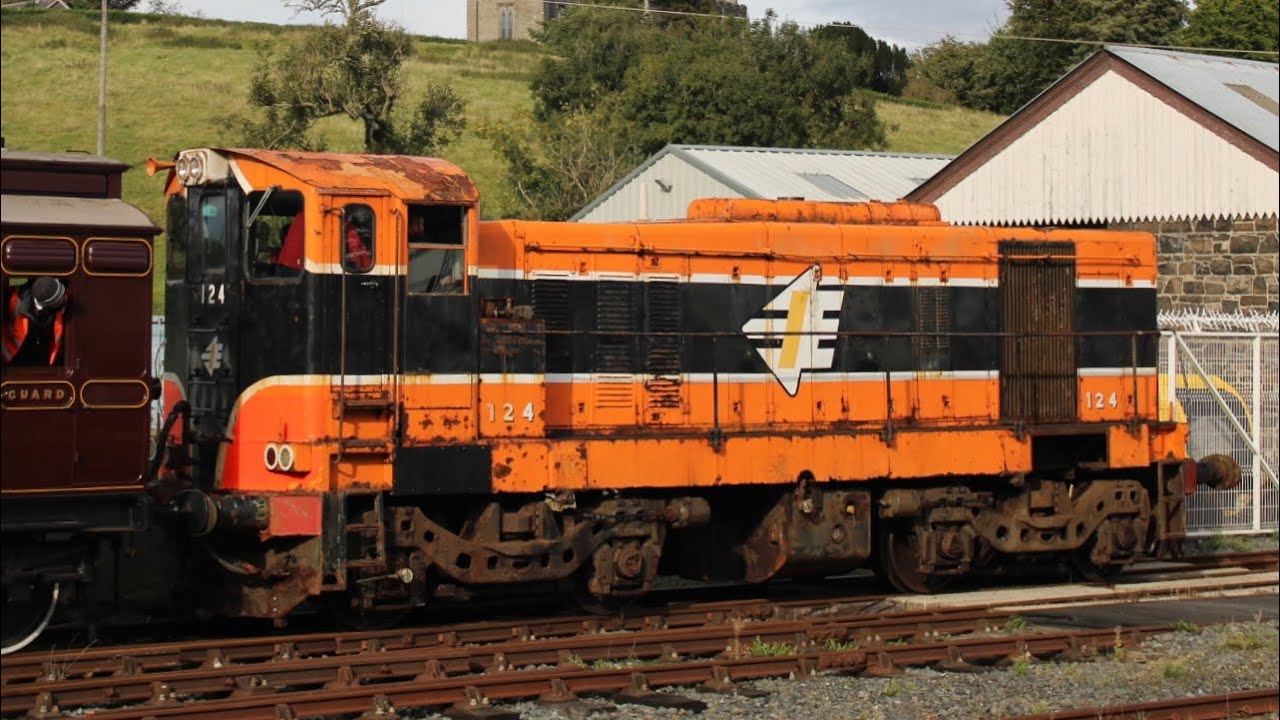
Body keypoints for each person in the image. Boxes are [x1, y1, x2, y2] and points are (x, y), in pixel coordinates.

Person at [3, 276, 67, 366]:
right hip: (14, 359)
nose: (63, 299)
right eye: (58, 300)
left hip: (44, 358)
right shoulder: (16, 305)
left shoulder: (56, 309)